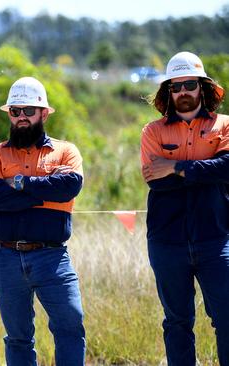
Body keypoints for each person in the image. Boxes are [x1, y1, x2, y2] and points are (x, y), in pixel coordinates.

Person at [0, 76, 86, 365]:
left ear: (44, 113)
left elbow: (69, 187)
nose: (21, 117)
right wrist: (44, 189)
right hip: (5, 256)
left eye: (28, 110)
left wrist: (17, 183)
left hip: (51, 257)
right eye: (15, 111)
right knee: (17, 337)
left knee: (70, 324)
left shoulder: (66, 151)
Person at [141, 51, 229, 365]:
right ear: (168, 92)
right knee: (177, 323)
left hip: (216, 240)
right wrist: (209, 169)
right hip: (167, 243)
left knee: (227, 319)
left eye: (189, 84)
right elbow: (157, 182)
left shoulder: (225, 125)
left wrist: (176, 166)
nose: (182, 92)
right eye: (175, 87)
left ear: (202, 87)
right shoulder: (152, 132)